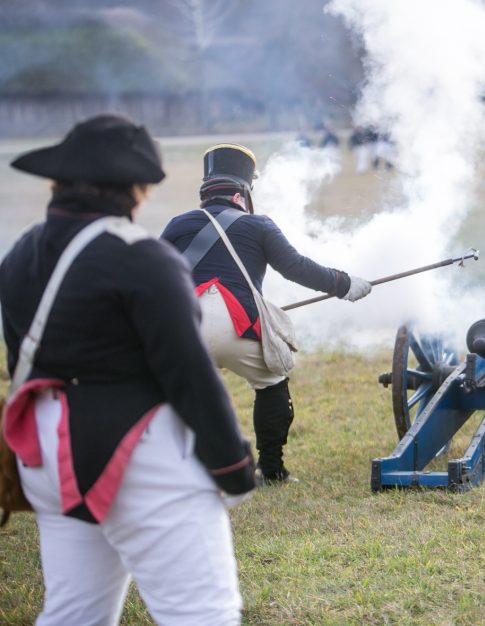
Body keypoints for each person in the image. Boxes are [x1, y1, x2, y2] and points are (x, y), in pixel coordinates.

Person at [0, 114, 255, 624]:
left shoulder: (19, 254)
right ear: (135, 189)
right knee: (205, 615)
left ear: (61, 181)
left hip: (49, 453)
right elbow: (189, 373)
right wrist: (233, 466)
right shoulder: (143, 257)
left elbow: (19, 362)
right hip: (136, 453)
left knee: (74, 614)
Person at [161, 144, 372, 485]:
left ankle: (174, 470)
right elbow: (296, 268)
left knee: (176, 390)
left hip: (183, 327)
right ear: (241, 193)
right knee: (271, 382)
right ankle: (271, 469)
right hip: (236, 326)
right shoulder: (259, 225)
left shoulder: (177, 224)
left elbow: (158, 278)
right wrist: (343, 284)